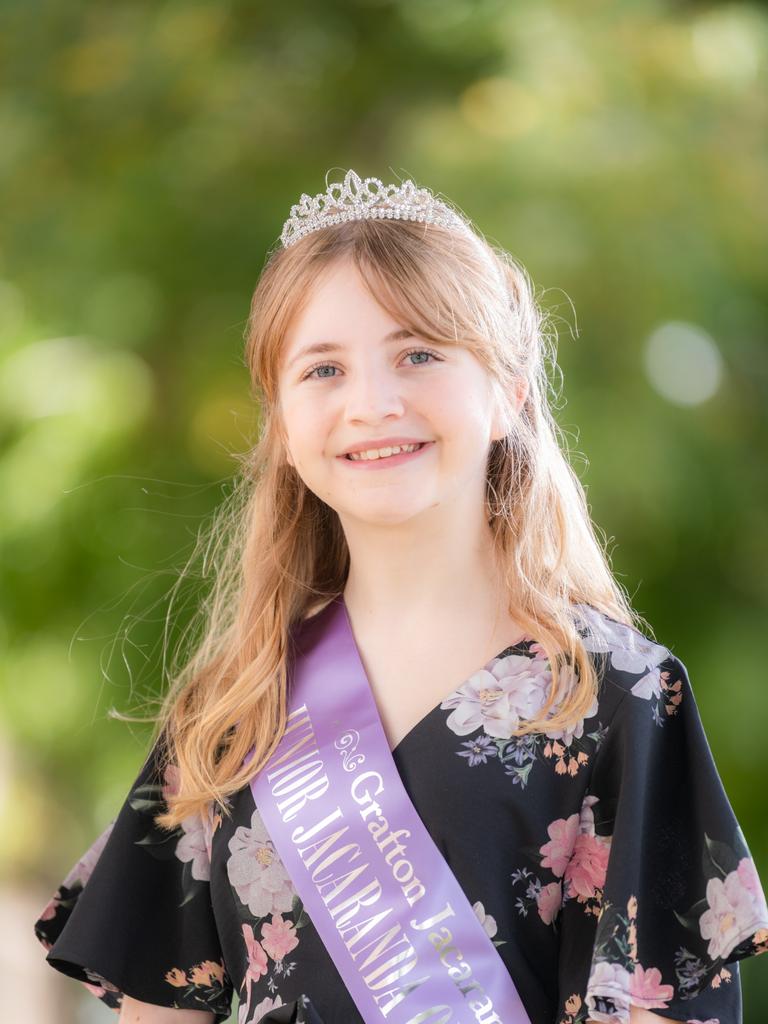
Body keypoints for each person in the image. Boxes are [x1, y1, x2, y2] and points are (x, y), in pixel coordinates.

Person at [33, 168, 768, 1024]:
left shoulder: (618, 694)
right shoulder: (235, 706)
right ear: (278, 426)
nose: (373, 404)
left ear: (508, 395)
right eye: (323, 370)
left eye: (418, 354)